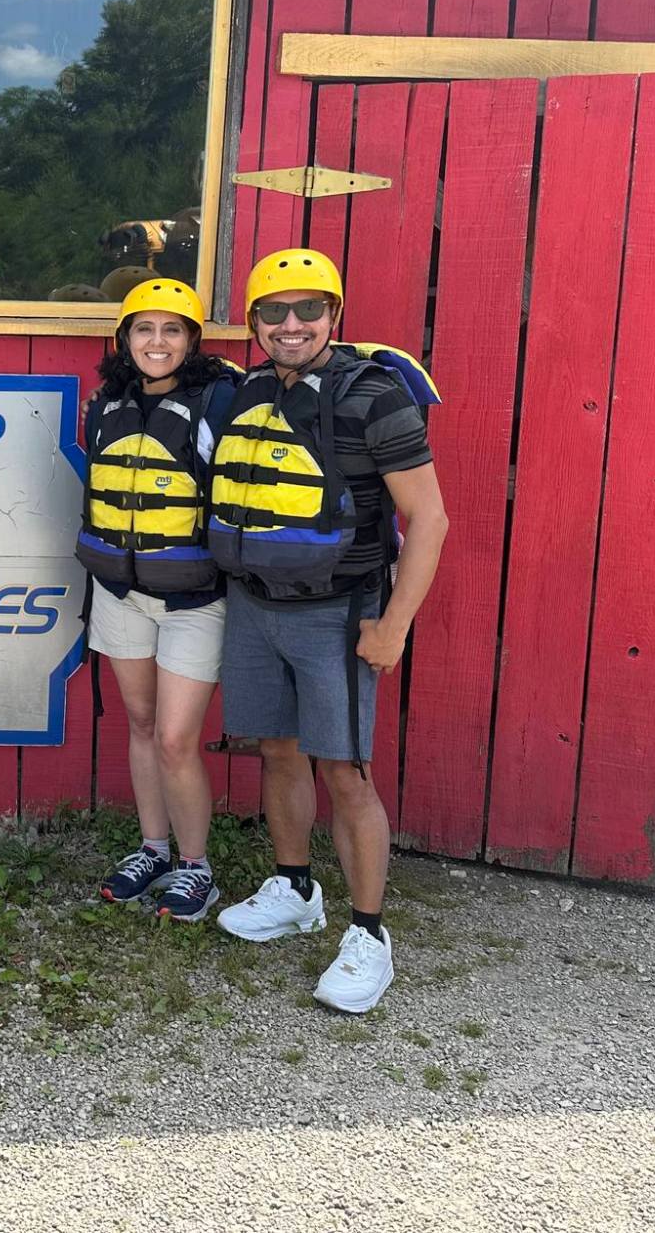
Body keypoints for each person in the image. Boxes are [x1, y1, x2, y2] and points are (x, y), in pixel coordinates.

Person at [205, 248, 448, 1014]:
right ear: (253, 322)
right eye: (273, 312)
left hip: (337, 615)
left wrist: (394, 627)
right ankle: (295, 889)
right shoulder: (248, 391)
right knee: (278, 752)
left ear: (334, 315)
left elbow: (429, 518)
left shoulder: (373, 396)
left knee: (345, 773)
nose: (292, 324)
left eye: (310, 309)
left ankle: (369, 936)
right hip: (253, 606)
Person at [76, 278, 239, 922]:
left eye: (173, 329)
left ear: (192, 339)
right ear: (124, 338)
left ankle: (195, 867)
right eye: (144, 328)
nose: (157, 341)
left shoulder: (220, 400)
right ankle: (153, 848)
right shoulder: (106, 404)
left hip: (194, 596)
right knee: (141, 726)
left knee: (175, 738)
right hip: (121, 590)